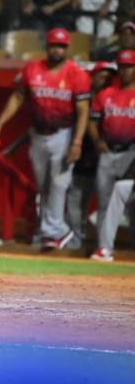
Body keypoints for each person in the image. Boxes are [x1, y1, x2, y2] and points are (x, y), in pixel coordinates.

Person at [0, 29, 90, 249]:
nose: (57, 50)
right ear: (47, 47)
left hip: (63, 134)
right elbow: (17, 98)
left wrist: (77, 142)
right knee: (44, 187)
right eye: (53, 45)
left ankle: (52, 233)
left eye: (61, 46)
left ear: (68, 48)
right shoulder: (33, 69)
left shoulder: (77, 74)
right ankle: (53, 230)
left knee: (59, 184)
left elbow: (83, 111)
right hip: (38, 135)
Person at [87, 50, 135, 257]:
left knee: (130, 204)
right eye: (122, 67)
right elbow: (92, 122)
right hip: (108, 151)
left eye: (129, 67)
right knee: (105, 201)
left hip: (131, 153)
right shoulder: (107, 94)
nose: (125, 71)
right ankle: (103, 246)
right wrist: (97, 141)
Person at [66, 61, 115, 247]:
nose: (105, 81)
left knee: (107, 203)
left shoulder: (112, 99)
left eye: (109, 79)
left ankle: (101, 244)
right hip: (80, 156)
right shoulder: (80, 98)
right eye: (102, 77)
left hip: (104, 157)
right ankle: (74, 241)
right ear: (92, 77)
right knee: (76, 201)